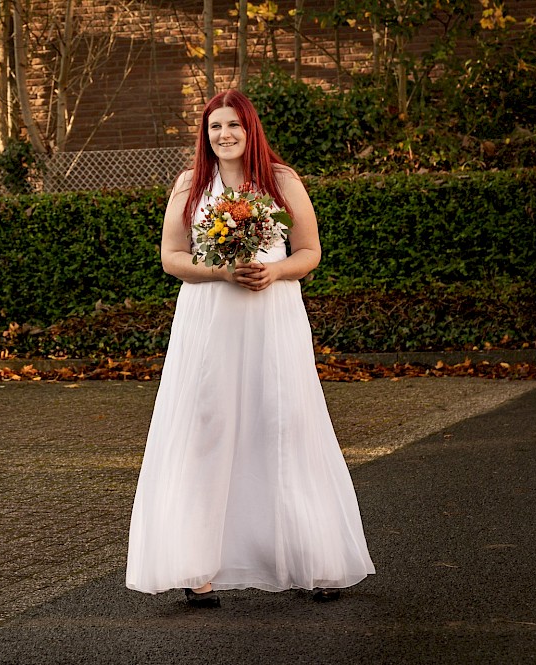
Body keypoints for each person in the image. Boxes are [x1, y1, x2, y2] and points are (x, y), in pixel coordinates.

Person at [126, 90, 374, 607]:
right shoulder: (189, 186)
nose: (224, 135)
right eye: (215, 127)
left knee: (284, 424)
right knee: (207, 429)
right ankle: (197, 568)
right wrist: (222, 271)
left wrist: (275, 270)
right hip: (209, 321)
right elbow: (172, 257)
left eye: (233, 125)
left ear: (250, 129)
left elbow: (309, 251)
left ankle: (314, 561)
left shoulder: (282, 182)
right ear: (206, 134)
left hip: (271, 317)